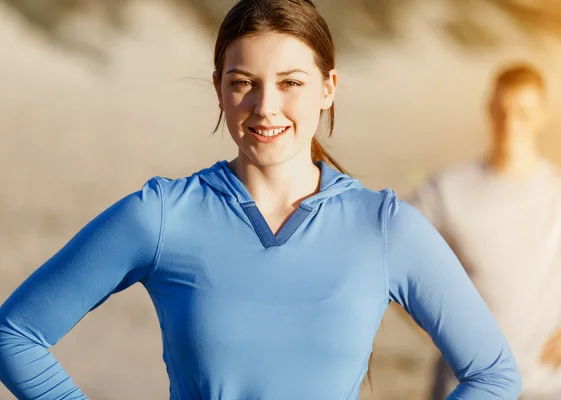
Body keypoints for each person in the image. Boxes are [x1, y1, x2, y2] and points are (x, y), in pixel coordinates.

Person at [0, 1, 521, 399]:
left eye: (291, 82)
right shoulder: (160, 216)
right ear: (219, 88)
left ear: (328, 87)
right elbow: (15, 334)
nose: (265, 107)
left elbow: (494, 374)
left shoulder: (383, 227)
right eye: (243, 83)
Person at [413, 63, 561, 400]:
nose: (511, 123)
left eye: (523, 113)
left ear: (542, 115)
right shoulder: (448, 189)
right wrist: (430, 329)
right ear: (489, 109)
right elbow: (387, 256)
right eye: (502, 111)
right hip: (465, 386)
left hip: (549, 387)